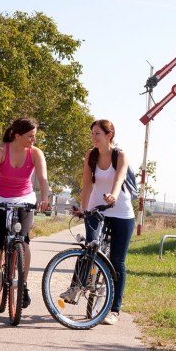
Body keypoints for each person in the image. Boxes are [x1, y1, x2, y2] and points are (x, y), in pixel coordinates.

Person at [0, 118, 50, 315]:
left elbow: (42, 178)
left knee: (23, 242)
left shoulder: (35, 153)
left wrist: (44, 199)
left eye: (35, 135)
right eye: (30, 136)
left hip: (24, 198)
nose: (33, 139)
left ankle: (23, 285)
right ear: (17, 136)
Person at [74, 119, 135, 325]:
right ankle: (76, 288)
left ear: (109, 135)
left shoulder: (120, 155)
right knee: (89, 248)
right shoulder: (91, 155)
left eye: (97, 133)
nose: (93, 137)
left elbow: (119, 179)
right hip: (96, 209)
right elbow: (87, 184)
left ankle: (114, 310)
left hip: (121, 211)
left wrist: (113, 196)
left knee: (117, 261)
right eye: (92, 133)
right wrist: (84, 208)